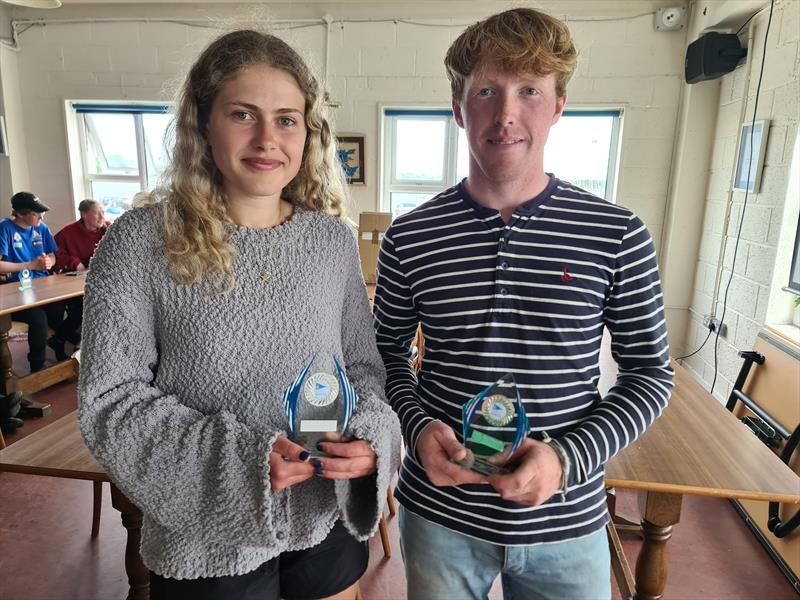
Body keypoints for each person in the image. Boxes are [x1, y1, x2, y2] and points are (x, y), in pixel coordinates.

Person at [78, 30, 400, 600]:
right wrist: (244, 463)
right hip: (205, 531)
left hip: (324, 513)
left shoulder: (330, 241)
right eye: (243, 114)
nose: (267, 139)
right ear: (203, 122)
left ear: (308, 132)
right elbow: (110, 401)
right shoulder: (141, 241)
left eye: (287, 119)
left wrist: (371, 436)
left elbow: (362, 368)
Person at [373, 8, 674, 600]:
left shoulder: (616, 234)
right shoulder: (411, 236)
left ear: (559, 105)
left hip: (568, 519)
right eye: (486, 90)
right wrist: (416, 425)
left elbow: (650, 375)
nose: (506, 114)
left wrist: (566, 459)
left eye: (529, 90)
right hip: (440, 514)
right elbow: (384, 353)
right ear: (459, 107)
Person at [0, 192, 63, 372]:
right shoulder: (5, 229)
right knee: (38, 318)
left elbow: (52, 255)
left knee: (62, 307)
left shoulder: (41, 227)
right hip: (15, 290)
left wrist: (50, 261)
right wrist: (30, 265)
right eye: (36, 213)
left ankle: (63, 345)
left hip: (42, 286)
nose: (41, 217)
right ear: (20, 214)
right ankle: (38, 366)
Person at [47, 199, 110, 359]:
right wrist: (75, 263)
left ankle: (62, 339)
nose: (102, 216)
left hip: (101, 281)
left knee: (98, 303)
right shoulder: (69, 232)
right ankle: (72, 340)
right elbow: (54, 253)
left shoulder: (109, 229)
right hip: (74, 281)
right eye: (97, 213)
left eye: (103, 212)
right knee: (83, 305)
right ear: (84, 214)